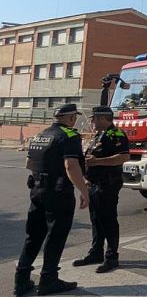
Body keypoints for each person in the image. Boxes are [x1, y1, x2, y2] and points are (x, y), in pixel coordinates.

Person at [14, 103, 89, 296]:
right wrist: (84, 191)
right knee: (55, 236)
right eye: (75, 117)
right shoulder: (70, 135)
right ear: (71, 117)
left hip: (37, 190)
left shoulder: (40, 135)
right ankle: (48, 279)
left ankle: (21, 281)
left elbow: (29, 162)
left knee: (33, 235)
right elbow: (71, 165)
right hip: (58, 192)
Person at [73, 106, 130, 273]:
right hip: (94, 183)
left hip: (108, 183)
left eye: (95, 118)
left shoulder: (116, 134)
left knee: (108, 219)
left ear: (104, 118)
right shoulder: (99, 135)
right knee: (96, 219)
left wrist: (97, 162)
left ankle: (112, 257)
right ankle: (96, 252)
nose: (92, 121)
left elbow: (124, 157)